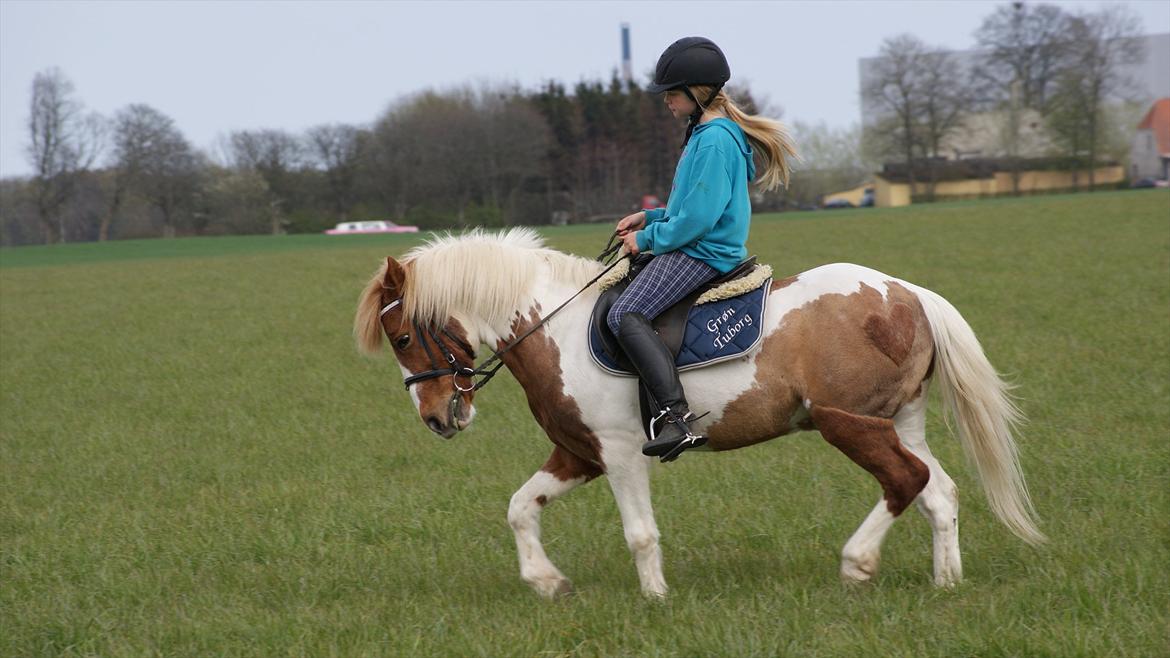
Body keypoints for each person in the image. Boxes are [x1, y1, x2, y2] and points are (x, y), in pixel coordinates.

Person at [608, 36, 797, 462]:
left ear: (697, 92)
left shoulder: (712, 140)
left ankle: (675, 416)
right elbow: (688, 207)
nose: (667, 102)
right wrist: (650, 218)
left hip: (703, 253)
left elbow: (698, 221)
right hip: (697, 244)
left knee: (624, 313)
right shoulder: (706, 134)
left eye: (671, 93)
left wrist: (647, 240)